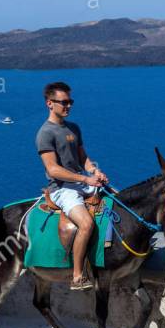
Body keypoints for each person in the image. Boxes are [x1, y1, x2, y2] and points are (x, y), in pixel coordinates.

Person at [35, 81, 109, 290]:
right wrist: (86, 179)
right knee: (86, 223)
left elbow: (83, 158)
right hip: (62, 189)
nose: (68, 106)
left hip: (81, 183)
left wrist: (95, 171)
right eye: (64, 102)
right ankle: (77, 276)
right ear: (50, 103)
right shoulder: (45, 133)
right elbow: (52, 169)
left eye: (70, 102)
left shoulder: (73, 128)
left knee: (118, 200)